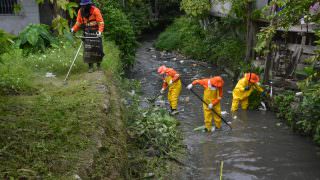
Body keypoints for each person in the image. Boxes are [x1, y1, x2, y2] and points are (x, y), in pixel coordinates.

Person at [71, 0, 105, 73]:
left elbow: (100, 22)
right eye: (83, 5)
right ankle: (90, 67)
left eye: (85, 5)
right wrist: (73, 29)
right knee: (88, 50)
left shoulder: (95, 10)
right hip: (87, 32)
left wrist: (100, 31)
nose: (84, 6)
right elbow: (78, 23)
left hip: (96, 32)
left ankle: (98, 65)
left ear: (89, 4)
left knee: (98, 49)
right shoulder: (80, 11)